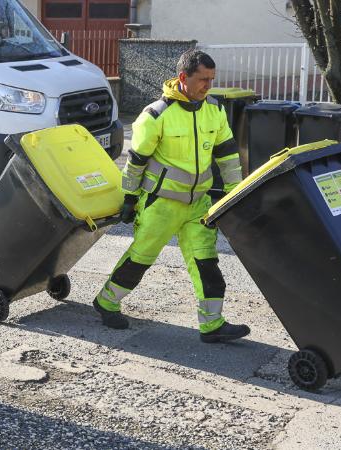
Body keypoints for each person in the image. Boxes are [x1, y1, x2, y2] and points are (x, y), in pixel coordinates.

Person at [93, 49, 250, 343]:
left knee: (206, 263)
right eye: (202, 79)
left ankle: (212, 325)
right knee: (140, 258)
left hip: (197, 206)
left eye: (211, 80)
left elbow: (228, 156)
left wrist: (234, 194)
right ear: (183, 78)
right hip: (160, 204)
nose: (208, 86)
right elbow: (135, 161)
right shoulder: (155, 115)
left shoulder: (214, 110)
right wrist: (129, 198)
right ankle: (106, 301)